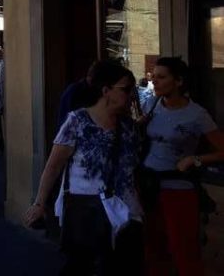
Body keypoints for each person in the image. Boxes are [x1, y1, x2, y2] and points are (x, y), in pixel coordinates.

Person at [24, 60, 143, 275]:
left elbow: (133, 167)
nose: (131, 94)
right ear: (106, 91)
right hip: (87, 211)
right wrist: (40, 203)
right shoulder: (78, 122)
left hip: (127, 213)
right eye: (126, 89)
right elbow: (53, 166)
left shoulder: (129, 127)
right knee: (83, 267)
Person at [141, 57, 224, 276]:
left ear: (178, 81)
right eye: (154, 76)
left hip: (178, 186)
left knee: (184, 248)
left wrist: (194, 160)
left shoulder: (196, 114)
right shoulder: (151, 104)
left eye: (161, 77)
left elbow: (222, 150)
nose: (155, 81)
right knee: (153, 247)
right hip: (149, 184)